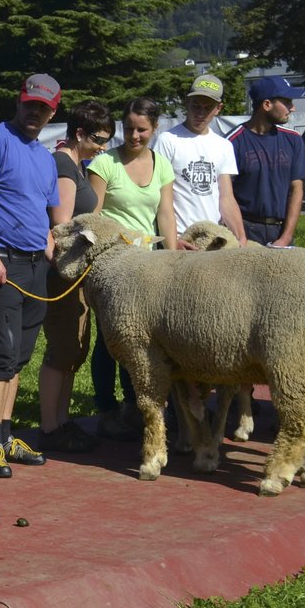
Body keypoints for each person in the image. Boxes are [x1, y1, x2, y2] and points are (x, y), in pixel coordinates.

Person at [0, 74, 64, 479]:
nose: (36, 112)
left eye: (44, 108)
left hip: (36, 264)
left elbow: (46, 218)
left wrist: (57, 256)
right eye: (31, 104)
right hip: (3, 264)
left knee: (20, 355)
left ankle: (7, 434)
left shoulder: (46, 157)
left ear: (53, 112)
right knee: (0, 353)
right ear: (19, 101)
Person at [87, 97, 177, 440]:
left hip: (149, 266)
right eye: (128, 128)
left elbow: (165, 213)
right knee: (109, 339)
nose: (134, 136)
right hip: (112, 266)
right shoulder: (104, 163)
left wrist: (171, 256)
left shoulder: (162, 164)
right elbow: (92, 215)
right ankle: (107, 408)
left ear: (154, 129)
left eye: (142, 130)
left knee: (140, 339)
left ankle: (134, 405)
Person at [37, 100, 114, 453]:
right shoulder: (64, 168)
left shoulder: (77, 165)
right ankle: (51, 427)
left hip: (77, 272)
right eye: (99, 139)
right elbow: (63, 226)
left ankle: (63, 420)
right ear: (78, 133)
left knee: (75, 349)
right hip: (64, 272)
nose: (103, 147)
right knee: (63, 347)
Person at [154, 73, 245, 245]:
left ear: (219, 108)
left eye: (208, 108)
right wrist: (171, 241)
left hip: (213, 240)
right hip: (181, 238)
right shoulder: (167, 140)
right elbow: (159, 196)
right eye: (196, 106)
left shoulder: (223, 146)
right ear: (186, 103)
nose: (201, 113)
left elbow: (226, 198)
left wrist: (241, 238)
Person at [226, 75, 305, 246]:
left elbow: (296, 189)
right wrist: (240, 236)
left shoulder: (293, 140)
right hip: (244, 232)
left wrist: (285, 238)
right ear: (267, 104)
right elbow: (224, 195)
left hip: (282, 231)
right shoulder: (231, 143)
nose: (292, 108)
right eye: (287, 102)